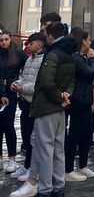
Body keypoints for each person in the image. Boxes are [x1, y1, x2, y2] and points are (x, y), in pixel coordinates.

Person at [29, 21, 76, 197]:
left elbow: (46, 83)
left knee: (45, 149)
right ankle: (59, 185)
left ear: (50, 36)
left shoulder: (53, 55)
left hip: (47, 107)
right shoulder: (70, 54)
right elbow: (72, 81)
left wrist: (58, 97)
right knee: (58, 148)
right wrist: (66, 96)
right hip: (61, 107)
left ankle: (45, 188)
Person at [9, 33, 45, 188]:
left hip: (34, 104)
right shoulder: (30, 59)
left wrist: (22, 87)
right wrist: (16, 83)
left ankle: (32, 168)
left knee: (33, 138)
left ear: (39, 44)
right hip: (24, 102)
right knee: (26, 135)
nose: (28, 46)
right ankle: (27, 164)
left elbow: (38, 85)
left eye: (31, 43)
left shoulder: (43, 61)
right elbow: (24, 77)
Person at [64, 28, 94, 181]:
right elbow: (90, 73)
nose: (90, 42)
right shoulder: (77, 59)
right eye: (88, 39)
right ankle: (68, 169)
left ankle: (83, 165)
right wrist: (92, 59)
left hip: (85, 100)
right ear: (83, 41)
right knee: (75, 135)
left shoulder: (80, 58)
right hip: (79, 101)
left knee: (86, 133)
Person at [0, 30, 26, 175]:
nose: (3, 42)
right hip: (1, 91)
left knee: (8, 125)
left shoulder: (18, 53)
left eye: (6, 39)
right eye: (1, 40)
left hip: (10, 92)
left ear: (10, 40)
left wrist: (19, 82)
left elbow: (27, 68)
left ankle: (12, 157)